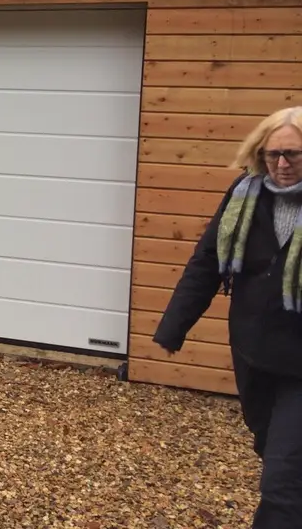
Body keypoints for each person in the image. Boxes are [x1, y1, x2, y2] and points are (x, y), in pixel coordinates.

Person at [154, 106, 302, 528]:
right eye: (272, 154)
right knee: (274, 452)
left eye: (293, 154)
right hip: (254, 355)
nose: (282, 164)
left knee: (281, 483)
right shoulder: (246, 194)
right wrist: (174, 326)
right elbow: (207, 262)